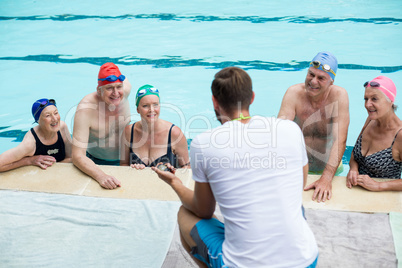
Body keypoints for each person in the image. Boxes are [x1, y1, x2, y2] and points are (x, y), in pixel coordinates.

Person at [153, 67, 318, 267]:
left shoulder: (204, 143)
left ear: (215, 101)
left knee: (185, 214)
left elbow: (203, 210)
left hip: (242, 264)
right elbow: (298, 184)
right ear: (253, 97)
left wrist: (176, 183)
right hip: (305, 259)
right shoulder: (290, 129)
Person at [278, 51, 350, 202]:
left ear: (331, 82)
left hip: (330, 169)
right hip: (297, 168)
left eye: (321, 78)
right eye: (311, 74)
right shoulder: (294, 93)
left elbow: (340, 140)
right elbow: (280, 133)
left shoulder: (339, 96)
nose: (313, 81)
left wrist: (327, 177)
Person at [72, 62, 131, 189]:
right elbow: (77, 155)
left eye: (118, 87)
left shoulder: (125, 91)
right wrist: (101, 176)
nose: (116, 93)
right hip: (99, 162)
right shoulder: (86, 109)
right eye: (109, 88)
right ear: (99, 90)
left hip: (129, 159)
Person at [347, 76, 402, 191]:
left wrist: (378, 185)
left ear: (390, 101)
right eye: (366, 99)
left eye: (374, 99)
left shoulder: (399, 135)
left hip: (382, 202)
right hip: (354, 194)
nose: (367, 105)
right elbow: (354, 156)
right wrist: (353, 169)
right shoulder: (371, 119)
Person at [120, 85, 190, 169]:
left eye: (155, 105)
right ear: (138, 109)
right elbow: (123, 165)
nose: (151, 110)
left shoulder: (174, 134)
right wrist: (133, 169)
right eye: (145, 106)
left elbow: (186, 168)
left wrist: (172, 171)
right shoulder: (129, 132)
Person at [0, 98, 72, 171]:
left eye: (56, 113)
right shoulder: (30, 143)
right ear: (38, 120)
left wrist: (55, 169)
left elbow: (71, 157)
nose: (55, 119)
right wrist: (29, 160)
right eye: (48, 115)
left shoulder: (62, 127)